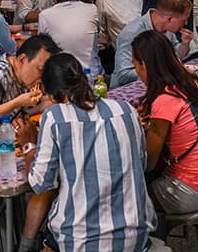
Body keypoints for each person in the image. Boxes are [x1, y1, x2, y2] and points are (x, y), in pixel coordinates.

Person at [17, 53, 157, 252]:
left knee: (51, 234)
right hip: (136, 235)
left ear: (53, 94)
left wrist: (29, 146)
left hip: (81, 240)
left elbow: (40, 183)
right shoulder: (126, 110)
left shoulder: (55, 116)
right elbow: (140, 164)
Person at [131, 31, 198, 214]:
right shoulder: (192, 83)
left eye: (135, 65)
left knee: (125, 197)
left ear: (144, 64)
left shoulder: (165, 99)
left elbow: (150, 161)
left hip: (186, 191)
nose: (136, 71)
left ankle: (146, 240)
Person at [113, 0, 195, 87]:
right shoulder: (132, 33)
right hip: (128, 90)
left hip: (159, 85)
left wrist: (185, 44)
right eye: (184, 19)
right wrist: (161, 70)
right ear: (169, 19)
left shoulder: (167, 30)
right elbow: (123, 75)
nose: (186, 23)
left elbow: (175, 57)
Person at [38, 0, 100, 73]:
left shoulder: (45, 16)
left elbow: (43, 49)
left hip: (61, 76)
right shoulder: (92, 9)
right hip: (92, 75)